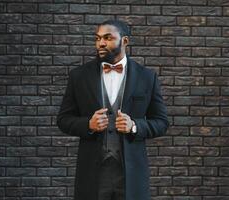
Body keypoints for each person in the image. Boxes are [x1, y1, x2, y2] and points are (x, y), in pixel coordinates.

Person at [57, 19, 169, 200]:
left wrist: (134, 126)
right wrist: (88, 124)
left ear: (124, 41)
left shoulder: (147, 77)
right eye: (97, 38)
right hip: (92, 173)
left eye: (108, 38)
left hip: (131, 173)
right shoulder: (79, 76)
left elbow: (162, 122)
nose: (101, 43)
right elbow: (63, 119)